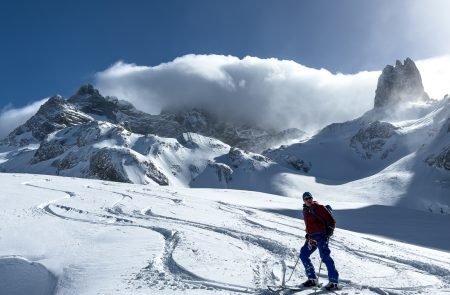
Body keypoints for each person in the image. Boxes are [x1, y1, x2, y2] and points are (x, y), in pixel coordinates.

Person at [299, 192, 339, 291]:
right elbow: (309, 224)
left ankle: (333, 282)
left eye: (310, 198)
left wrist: (330, 230)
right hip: (312, 238)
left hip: (322, 236)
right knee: (303, 254)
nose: (308, 200)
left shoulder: (318, 207)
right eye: (306, 198)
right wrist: (308, 233)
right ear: (303, 200)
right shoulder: (305, 210)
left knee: (325, 257)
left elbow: (331, 220)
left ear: (312, 198)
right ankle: (312, 279)